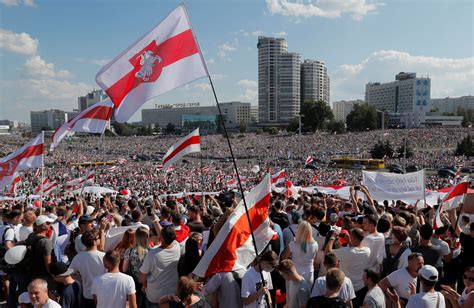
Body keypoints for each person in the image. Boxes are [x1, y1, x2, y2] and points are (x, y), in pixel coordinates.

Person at [326, 227, 370, 307]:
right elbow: (355, 249)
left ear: (354, 238)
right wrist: (350, 241)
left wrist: (333, 236)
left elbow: (328, 252)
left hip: (345, 287)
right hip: (361, 287)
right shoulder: (367, 251)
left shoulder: (345, 252)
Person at [140, 226, 181, 307]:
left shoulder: (152, 254)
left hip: (155, 297)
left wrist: (145, 286)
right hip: (172, 294)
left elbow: (142, 275)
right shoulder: (177, 246)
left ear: (161, 238)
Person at [69, 229, 106, 307]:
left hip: (88, 294)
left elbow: (71, 273)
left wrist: (81, 279)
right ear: (94, 242)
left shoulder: (78, 257)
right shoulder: (103, 256)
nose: (100, 239)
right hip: (103, 293)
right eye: (98, 238)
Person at [281, 221, 318, 286]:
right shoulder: (315, 244)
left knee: (293, 295)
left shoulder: (293, 244)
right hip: (309, 274)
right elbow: (315, 260)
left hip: (295, 274)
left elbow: (284, 257)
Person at [122, 227, 149, 306]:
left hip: (133, 283)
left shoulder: (129, 251)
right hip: (147, 283)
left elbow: (124, 269)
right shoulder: (150, 251)